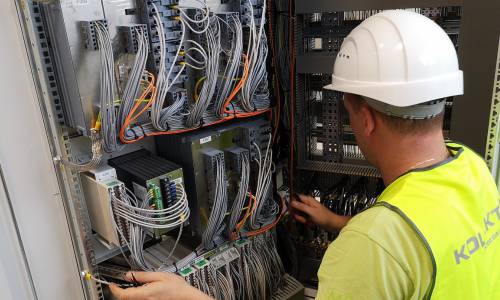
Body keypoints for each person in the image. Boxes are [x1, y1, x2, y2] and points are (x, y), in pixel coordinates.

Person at [110, 10, 500, 300]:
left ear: (363, 118)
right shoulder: (470, 167)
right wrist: (335, 221)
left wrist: (188, 296)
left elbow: (386, 247)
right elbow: (419, 242)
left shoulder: (372, 245)